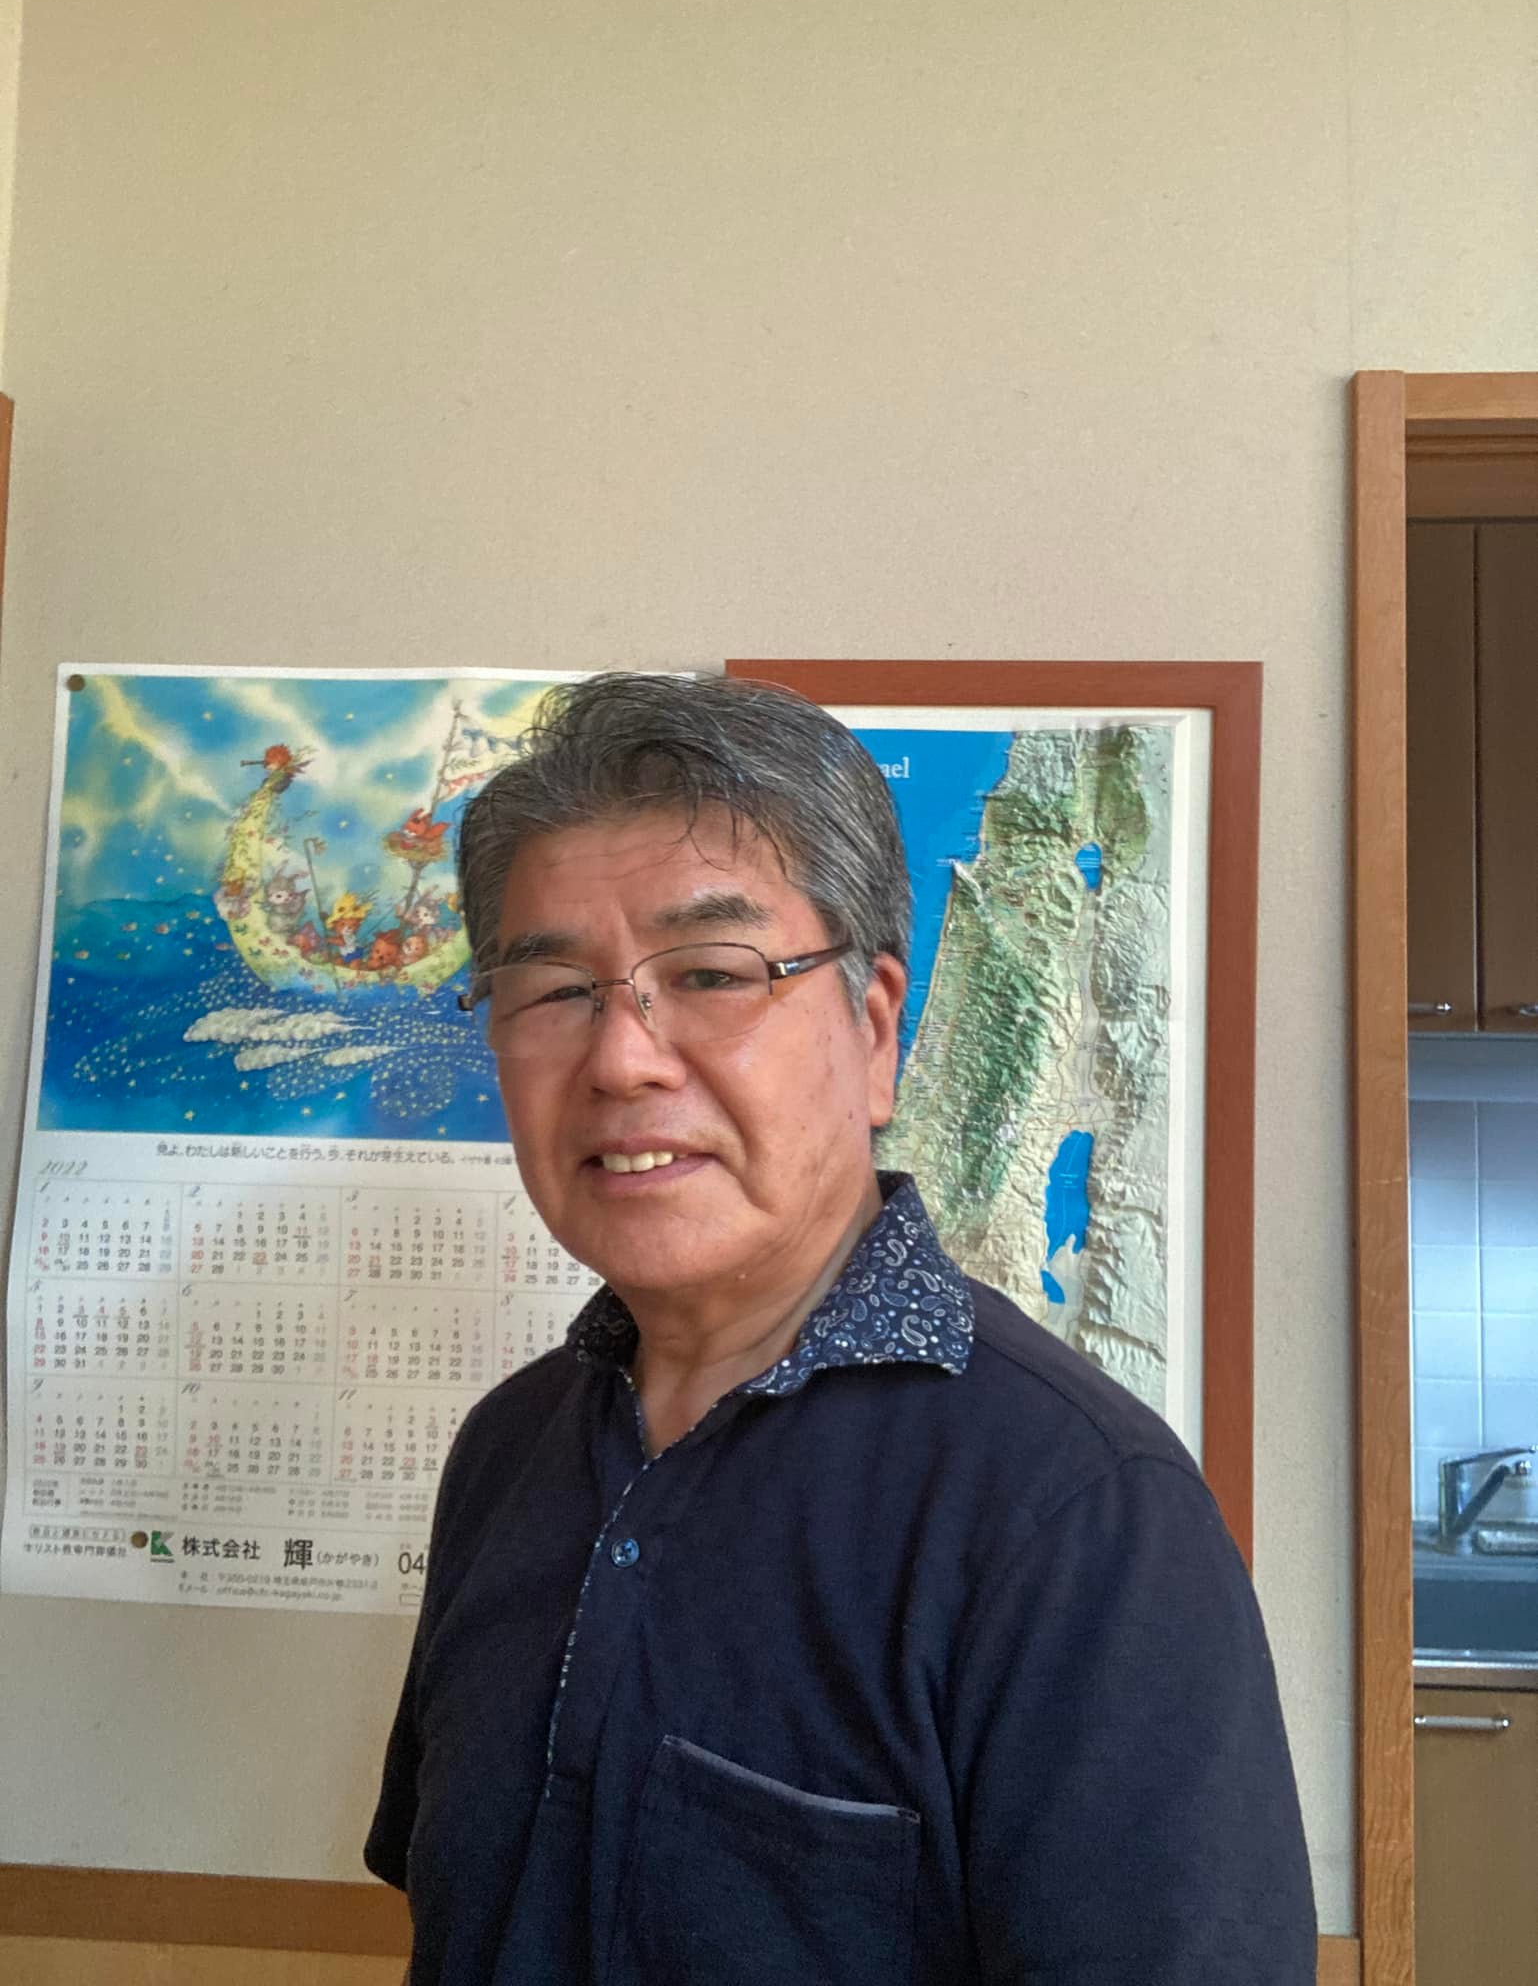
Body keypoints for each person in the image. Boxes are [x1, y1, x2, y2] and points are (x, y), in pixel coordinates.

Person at [365, 671, 1316, 1984]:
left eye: (711, 974)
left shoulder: (1078, 1511)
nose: (622, 1059)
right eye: (555, 990)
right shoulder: (506, 1447)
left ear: (874, 1034)